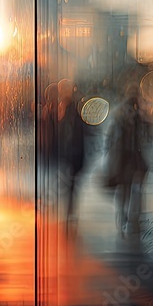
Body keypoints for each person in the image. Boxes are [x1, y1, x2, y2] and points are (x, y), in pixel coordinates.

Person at [106, 87, 151, 236]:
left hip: (128, 159)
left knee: (129, 190)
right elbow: (144, 139)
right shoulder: (127, 119)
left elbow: (111, 139)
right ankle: (130, 216)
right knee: (131, 189)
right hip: (128, 159)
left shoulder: (130, 119)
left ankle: (129, 216)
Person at [57, 84, 88, 222]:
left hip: (70, 156)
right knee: (72, 185)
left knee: (69, 184)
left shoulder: (65, 119)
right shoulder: (77, 119)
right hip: (75, 156)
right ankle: (71, 209)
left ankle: (69, 209)